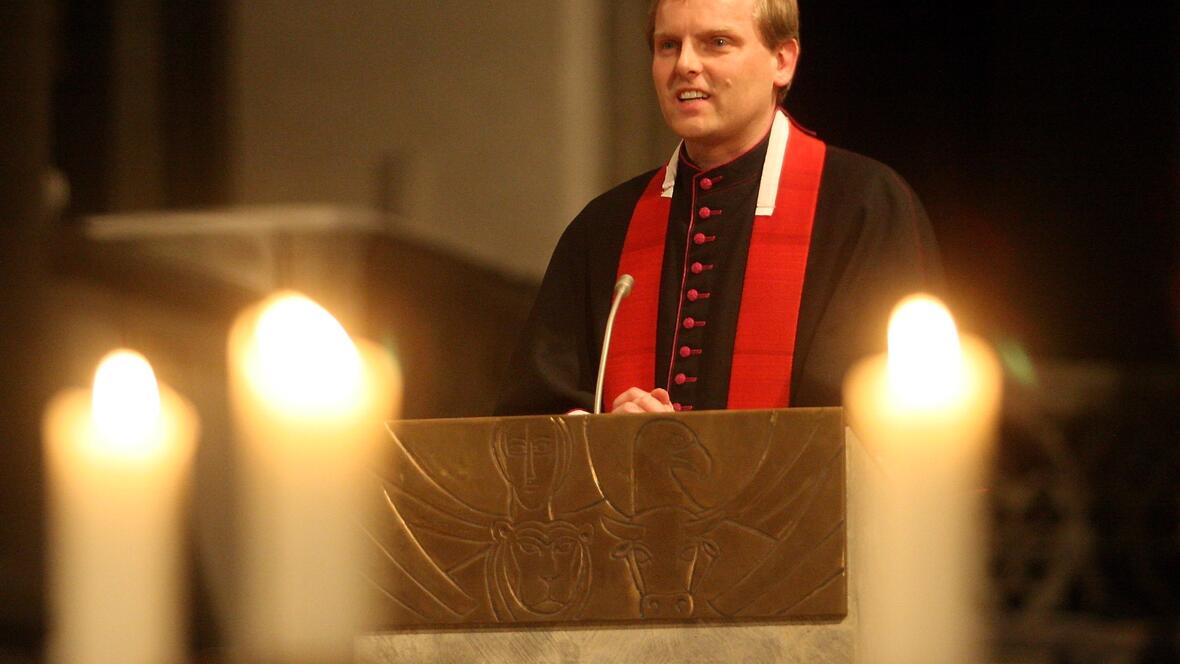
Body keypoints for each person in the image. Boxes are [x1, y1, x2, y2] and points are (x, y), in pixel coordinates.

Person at [495, 0, 942, 416]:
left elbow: (891, 411)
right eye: (668, 45)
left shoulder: (862, 206)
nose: (685, 64)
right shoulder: (604, 227)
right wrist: (602, 437)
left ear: (782, 61)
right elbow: (533, 415)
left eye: (717, 43)